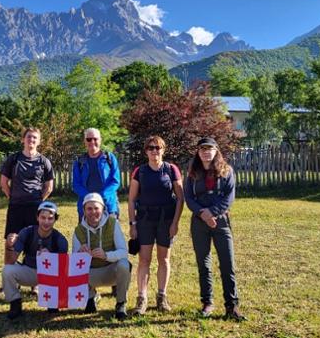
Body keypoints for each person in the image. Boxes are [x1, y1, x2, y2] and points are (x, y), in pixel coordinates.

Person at [183, 137, 246, 321]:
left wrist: (213, 213)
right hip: (199, 223)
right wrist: (203, 214)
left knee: (227, 263)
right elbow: (188, 197)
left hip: (221, 222)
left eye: (209, 148)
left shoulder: (227, 171)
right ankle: (207, 302)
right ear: (198, 152)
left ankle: (232, 306)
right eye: (202, 149)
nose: (206, 152)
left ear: (216, 150)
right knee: (204, 264)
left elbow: (229, 197)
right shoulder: (193, 173)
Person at [127, 136, 184, 315]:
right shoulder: (140, 171)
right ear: (146, 151)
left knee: (163, 259)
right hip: (145, 220)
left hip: (166, 220)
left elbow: (181, 198)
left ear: (163, 150)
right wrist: (132, 224)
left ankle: (161, 296)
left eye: (157, 148)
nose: (154, 151)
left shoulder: (171, 170)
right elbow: (131, 199)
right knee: (144, 260)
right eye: (150, 148)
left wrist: (175, 223)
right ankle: (141, 298)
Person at [2, 201, 68, 320]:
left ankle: (52, 302)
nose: (46, 222)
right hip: (30, 270)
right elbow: (9, 262)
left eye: (50, 218)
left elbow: (64, 269)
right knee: (8, 270)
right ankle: (15, 303)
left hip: (50, 276)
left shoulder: (60, 239)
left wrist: (51, 257)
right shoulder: (27, 232)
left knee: (53, 310)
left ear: (55, 220)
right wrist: (9, 246)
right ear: (37, 217)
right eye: (43, 217)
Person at [0, 127, 54, 266]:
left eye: (35, 137)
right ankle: (9, 276)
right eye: (29, 136)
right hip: (16, 206)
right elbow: (3, 182)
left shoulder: (44, 161)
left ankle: (35, 281)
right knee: (11, 241)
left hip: (35, 208)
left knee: (35, 241)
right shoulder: (14, 159)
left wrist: (39, 201)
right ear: (23, 139)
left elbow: (49, 186)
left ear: (39, 141)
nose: (31, 139)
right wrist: (12, 196)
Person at [72, 193, 130, 321]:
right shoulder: (78, 230)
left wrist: (106, 255)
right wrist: (80, 254)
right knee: (72, 267)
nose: (93, 212)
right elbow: (73, 262)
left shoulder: (113, 223)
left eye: (96, 208)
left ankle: (121, 303)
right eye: (89, 209)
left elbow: (123, 252)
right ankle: (89, 297)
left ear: (103, 209)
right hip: (91, 273)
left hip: (110, 271)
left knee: (124, 265)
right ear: (84, 211)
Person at [71, 128, 121, 221]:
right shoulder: (79, 161)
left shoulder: (109, 158)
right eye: (89, 139)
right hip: (86, 207)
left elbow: (115, 181)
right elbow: (76, 185)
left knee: (110, 234)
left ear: (100, 140)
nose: (92, 142)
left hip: (108, 206)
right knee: (86, 235)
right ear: (85, 142)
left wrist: (102, 196)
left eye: (95, 139)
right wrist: (90, 199)